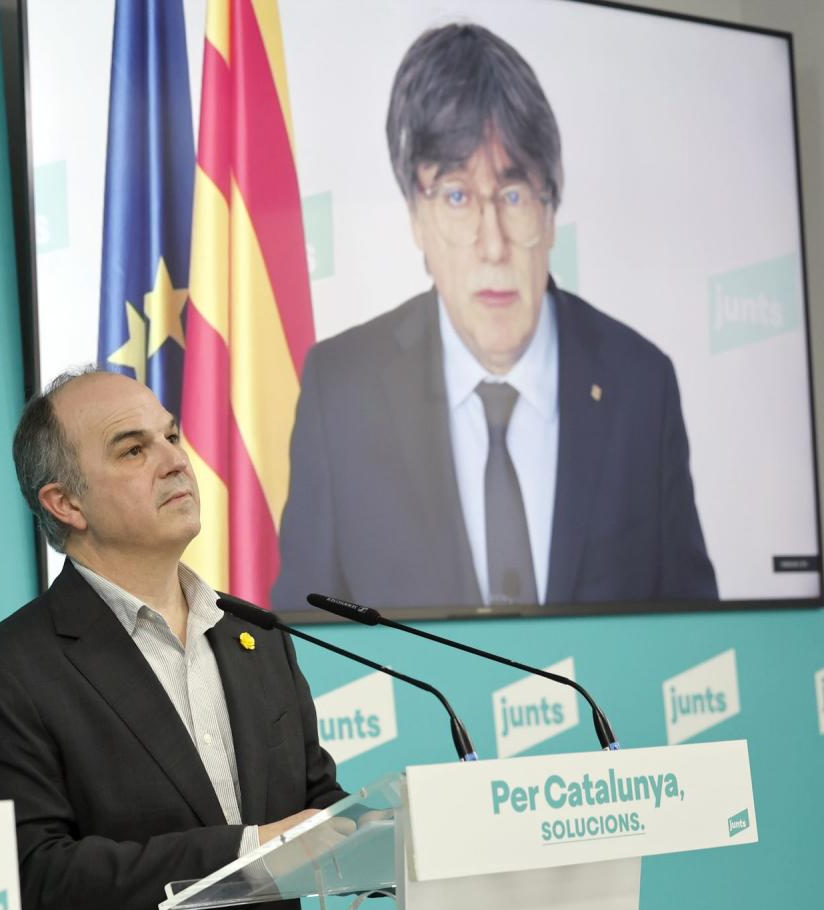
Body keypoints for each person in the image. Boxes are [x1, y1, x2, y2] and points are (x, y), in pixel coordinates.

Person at [0, 368, 346, 910]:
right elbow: (36, 881)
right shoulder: (4, 672)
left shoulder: (257, 640)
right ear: (64, 501)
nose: (174, 460)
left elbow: (317, 806)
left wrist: (382, 827)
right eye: (133, 450)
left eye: (171, 436)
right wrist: (247, 852)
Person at [272, 22, 717, 613]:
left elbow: (695, 633)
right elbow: (304, 637)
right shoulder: (342, 388)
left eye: (514, 196)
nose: (493, 244)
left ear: (551, 211)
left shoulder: (641, 382)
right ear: (416, 218)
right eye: (456, 196)